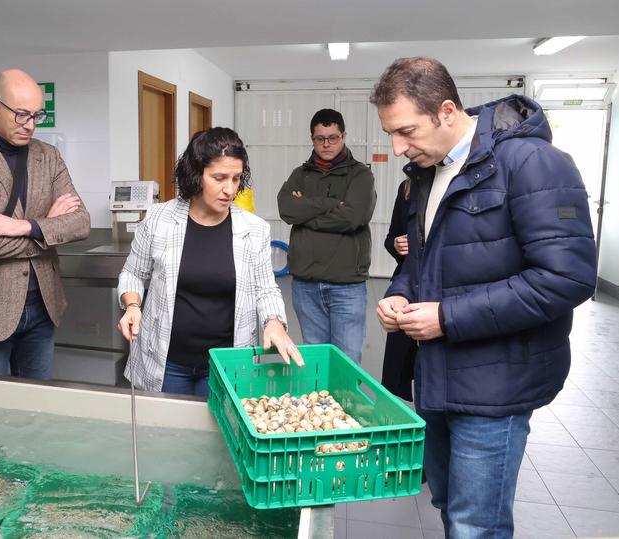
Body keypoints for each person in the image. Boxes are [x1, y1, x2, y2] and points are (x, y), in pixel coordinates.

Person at [370, 57, 597, 538]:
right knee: (451, 505)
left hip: (497, 385)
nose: (397, 147)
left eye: (406, 130)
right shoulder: (426, 174)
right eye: (391, 133)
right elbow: (421, 260)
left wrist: (447, 317)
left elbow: (567, 278)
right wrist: (399, 294)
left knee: (476, 525)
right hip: (435, 376)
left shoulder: (534, 164)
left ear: (447, 111)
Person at [117, 127, 303, 396]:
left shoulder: (254, 229)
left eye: (236, 179)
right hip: (167, 361)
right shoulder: (159, 220)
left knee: (217, 434)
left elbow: (266, 288)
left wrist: (273, 321)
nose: (230, 190)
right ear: (196, 174)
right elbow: (133, 273)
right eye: (219, 178)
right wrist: (133, 305)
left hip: (225, 362)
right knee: (165, 433)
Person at [0, 69, 90, 380]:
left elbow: (81, 223)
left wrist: (23, 226)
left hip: (44, 307)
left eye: (37, 115)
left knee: (37, 408)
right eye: (21, 115)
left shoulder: (48, 156)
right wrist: (49, 226)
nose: (31, 125)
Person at [277, 109, 376, 364]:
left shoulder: (360, 175)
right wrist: (333, 204)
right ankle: (320, 405)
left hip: (347, 286)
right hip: (305, 285)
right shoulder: (300, 174)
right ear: (312, 139)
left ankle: (345, 405)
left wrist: (307, 210)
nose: (326, 144)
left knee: (347, 360)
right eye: (320, 138)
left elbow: (354, 217)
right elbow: (287, 209)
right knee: (315, 358)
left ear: (343, 136)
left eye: (333, 137)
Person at [380, 179, 416, 401]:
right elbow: (390, 238)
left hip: (438, 295)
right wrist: (397, 244)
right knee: (399, 373)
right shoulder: (406, 188)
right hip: (407, 289)